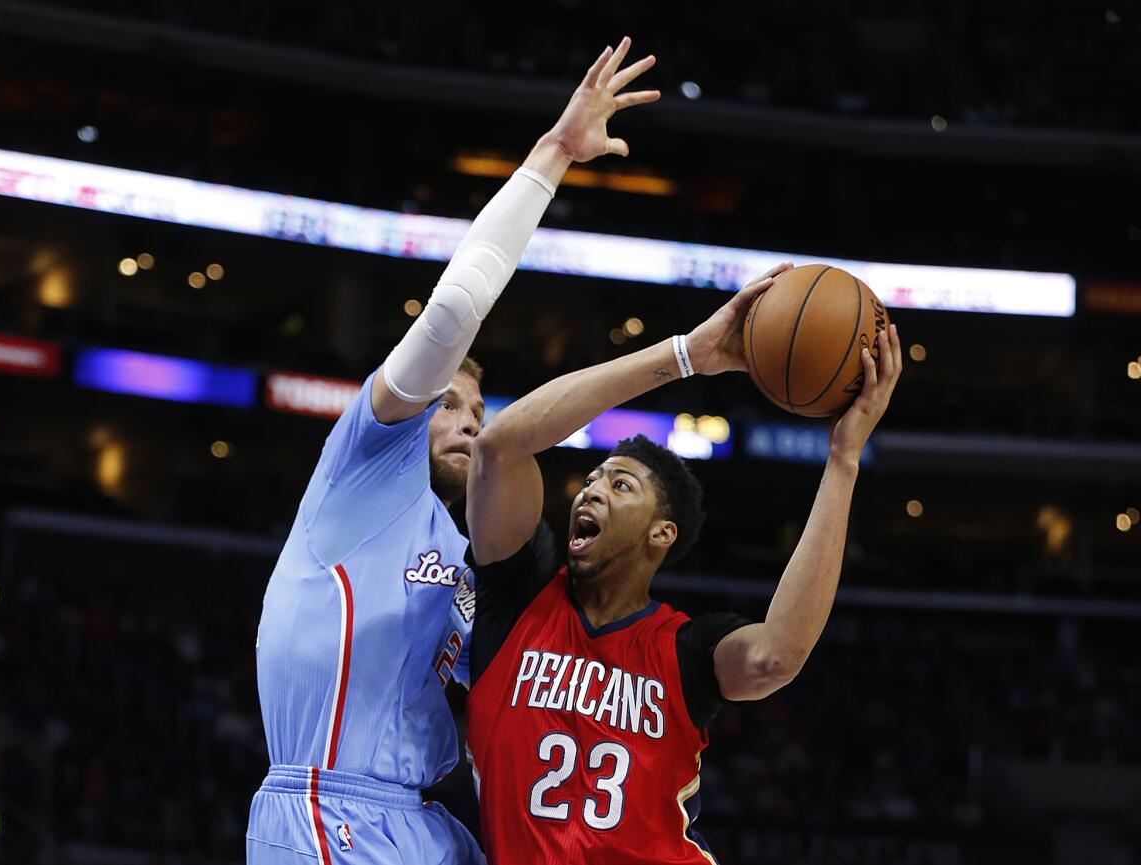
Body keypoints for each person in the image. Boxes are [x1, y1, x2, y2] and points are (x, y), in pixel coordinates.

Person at [245, 38, 661, 865]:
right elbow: (452, 313)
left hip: (432, 827)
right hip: (327, 808)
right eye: (454, 405)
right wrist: (553, 155)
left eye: (482, 407)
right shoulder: (363, 468)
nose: (473, 422)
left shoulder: (474, 559)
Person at [463, 269, 903, 864]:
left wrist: (843, 459)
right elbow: (499, 445)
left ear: (660, 533)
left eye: (620, 485)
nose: (590, 493)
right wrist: (685, 355)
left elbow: (775, 656)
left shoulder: (686, 649)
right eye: (590, 481)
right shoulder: (518, 595)